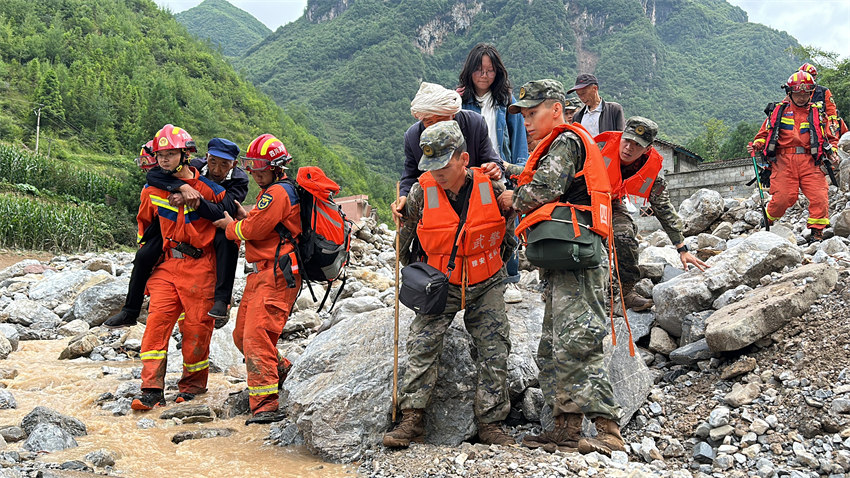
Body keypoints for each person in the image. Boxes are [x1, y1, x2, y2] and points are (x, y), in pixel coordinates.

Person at [505, 79, 625, 456]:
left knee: (580, 341)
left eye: (532, 112)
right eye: (522, 114)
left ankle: (608, 430)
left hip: (579, 259)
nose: (526, 121)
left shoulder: (565, 141)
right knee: (553, 346)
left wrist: (511, 196)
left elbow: (542, 191)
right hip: (565, 260)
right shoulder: (556, 144)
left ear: (555, 108)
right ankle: (565, 430)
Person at [383, 121, 515, 447]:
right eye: (432, 165)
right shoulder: (419, 193)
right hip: (442, 283)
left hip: (486, 282)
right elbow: (406, 239)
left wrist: (495, 268)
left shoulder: (494, 189)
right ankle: (412, 420)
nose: (438, 172)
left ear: (463, 158)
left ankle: (491, 423)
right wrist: (417, 275)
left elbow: (508, 238)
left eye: (444, 164)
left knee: (495, 348)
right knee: (421, 344)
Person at [104, 138, 249, 329]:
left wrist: (193, 200)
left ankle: (222, 301)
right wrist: (183, 187)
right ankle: (130, 311)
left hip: (217, 223)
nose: (216, 168)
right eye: (213, 161)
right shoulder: (194, 165)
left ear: (234, 164)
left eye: (224, 164)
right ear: (206, 157)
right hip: (183, 223)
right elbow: (154, 176)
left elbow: (222, 211)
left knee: (227, 241)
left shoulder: (239, 180)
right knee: (143, 256)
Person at [131, 124, 225, 410]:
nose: (163, 160)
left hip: (201, 266)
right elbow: (144, 230)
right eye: (160, 155)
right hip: (167, 265)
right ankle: (151, 390)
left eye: (170, 154)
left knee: (197, 329)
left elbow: (226, 239)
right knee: (155, 327)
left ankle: (193, 386)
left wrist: (223, 294)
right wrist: (146, 269)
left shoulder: (211, 191)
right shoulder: (152, 189)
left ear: (185, 155)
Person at [213, 134, 300, 425]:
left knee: (255, 337)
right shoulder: (274, 192)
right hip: (262, 271)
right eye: (251, 165)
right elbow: (260, 222)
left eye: (260, 166)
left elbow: (254, 230)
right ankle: (283, 370)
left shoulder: (278, 193)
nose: (254, 171)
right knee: (241, 336)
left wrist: (230, 226)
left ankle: (265, 404)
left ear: (276, 166)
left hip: (277, 272)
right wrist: (244, 217)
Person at [596, 117, 708, 311]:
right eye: (627, 141)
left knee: (624, 235)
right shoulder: (598, 147)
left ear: (647, 149)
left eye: (637, 145)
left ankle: (626, 291)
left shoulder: (651, 170)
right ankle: (552, 284)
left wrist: (682, 248)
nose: (629, 148)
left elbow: (663, 207)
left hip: (610, 202)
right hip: (578, 199)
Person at [457, 43, 528, 302]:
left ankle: (509, 278)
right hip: (472, 171)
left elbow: (519, 136)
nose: (484, 76)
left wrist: (520, 170)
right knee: (476, 223)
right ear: (470, 71)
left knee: (507, 222)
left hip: (502, 169)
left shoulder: (506, 101)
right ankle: (475, 278)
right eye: (479, 69)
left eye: (489, 70)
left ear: (497, 73)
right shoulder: (460, 100)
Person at [392, 82, 504, 225]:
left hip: (474, 203)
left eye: (441, 119)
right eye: (429, 122)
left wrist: (494, 168)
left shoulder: (474, 124)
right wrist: (403, 196)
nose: (436, 127)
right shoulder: (413, 136)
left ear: (452, 114)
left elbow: (493, 160)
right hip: (436, 208)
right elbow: (410, 175)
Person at [748, 71, 839, 241]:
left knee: (819, 195)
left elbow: (831, 137)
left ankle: (817, 232)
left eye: (806, 94)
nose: (802, 97)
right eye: (798, 93)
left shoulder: (818, 113)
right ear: (790, 93)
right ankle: (769, 217)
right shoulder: (778, 112)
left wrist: (833, 151)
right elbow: (763, 134)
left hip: (811, 161)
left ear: (811, 93)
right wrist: (757, 144)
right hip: (783, 162)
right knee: (784, 197)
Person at [103, 141, 166, 329]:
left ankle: (131, 311)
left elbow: (144, 221)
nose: (147, 172)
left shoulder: (184, 182)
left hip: (180, 232)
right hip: (163, 233)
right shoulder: (150, 189)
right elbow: (145, 221)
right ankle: (131, 311)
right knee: (142, 260)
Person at [798, 62, 840, 137]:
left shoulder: (824, 91)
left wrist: (832, 125)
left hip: (821, 127)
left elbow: (831, 111)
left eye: (813, 76)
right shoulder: (795, 91)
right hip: (800, 126)